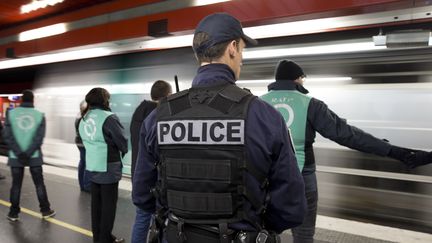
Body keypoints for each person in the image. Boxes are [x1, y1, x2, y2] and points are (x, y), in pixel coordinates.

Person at [132, 13, 307, 243]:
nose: (242, 59)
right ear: (233, 48)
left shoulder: (159, 116)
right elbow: (291, 208)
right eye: (242, 50)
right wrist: (257, 225)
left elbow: (142, 195)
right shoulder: (265, 116)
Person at [260, 59, 432, 243]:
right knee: (303, 235)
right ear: (297, 79)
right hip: (301, 176)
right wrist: (393, 151)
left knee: (265, 231)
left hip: (265, 177)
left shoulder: (257, 103)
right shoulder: (310, 104)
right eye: (303, 79)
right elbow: (347, 135)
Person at [78, 88, 128, 243]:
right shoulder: (109, 117)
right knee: (108, 207)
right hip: (108, 168)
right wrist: (123, 151)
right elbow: (122, 141)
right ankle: (104, 239)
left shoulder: (84, 118)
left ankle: (99, 237)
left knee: (96, 206)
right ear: (105, 100)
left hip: (93, 166)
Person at [2, 90, 55, 221]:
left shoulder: (11, 114)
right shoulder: (39, 115)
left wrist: (19, 153)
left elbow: (7, 136)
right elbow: (39, 138)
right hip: (34, 156)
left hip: (15, 157)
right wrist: (28, 153)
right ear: (33, 100)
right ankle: (45, 210)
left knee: (16, 185)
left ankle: (13, 213)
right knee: (39, 184)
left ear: (21, 100)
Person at [130, 80, 172, 243]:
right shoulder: (160, 116)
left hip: (138, 172)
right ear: (168, 95)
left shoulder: (138, 112)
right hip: (154, 178)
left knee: (141, 217)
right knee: (160, 221)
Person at [75, 100, 91, 192]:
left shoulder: (78, 115)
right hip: (84, 143)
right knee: (87, 163)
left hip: (79, 142)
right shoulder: (85, 117)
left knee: (82, 162)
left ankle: (82, 185)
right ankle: (87, 186)